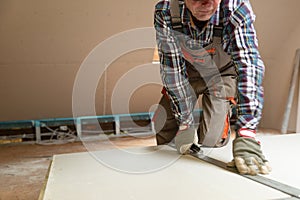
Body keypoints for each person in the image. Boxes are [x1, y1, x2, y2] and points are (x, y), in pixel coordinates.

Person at [153, 0, 272, 175]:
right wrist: (184, 122)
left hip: (222, 74)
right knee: (166, 125)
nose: (205, 3)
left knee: (212, 138)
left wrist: (247, 132)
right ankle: (168, 177)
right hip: (187, 72)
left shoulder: (236, 8)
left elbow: (249, 66)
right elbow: (173, 72)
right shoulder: (166, 11)